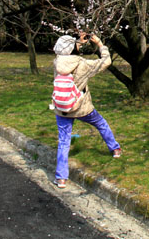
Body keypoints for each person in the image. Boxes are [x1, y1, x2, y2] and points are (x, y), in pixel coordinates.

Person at [52, 32, 121, 189]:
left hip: (62, 107)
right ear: (73, 49)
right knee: (101, 123)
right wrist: (100, 44)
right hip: (81, 106)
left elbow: (66, 52)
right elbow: (106, 61)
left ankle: (61, 178)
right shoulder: (83, 63)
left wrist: (78, 42)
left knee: (64, 141)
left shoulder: (57, 62)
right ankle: (115, 149)